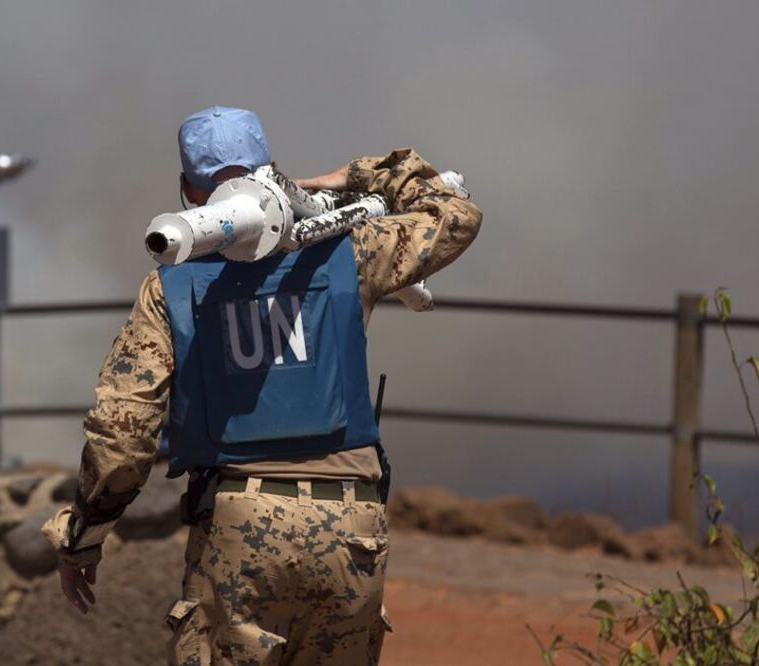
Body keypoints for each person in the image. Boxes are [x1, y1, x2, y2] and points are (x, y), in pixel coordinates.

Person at [43, 105, 482, 665]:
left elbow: (122, 437)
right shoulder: (352, 251)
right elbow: (456, 214)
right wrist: (345, 178)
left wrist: (83, 537)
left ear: (187, 191)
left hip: (237, 527)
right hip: (354, 529)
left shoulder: (170, 287)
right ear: (273, 171)